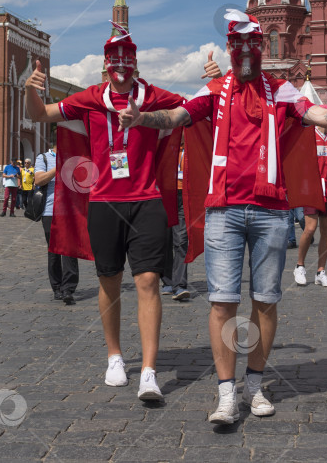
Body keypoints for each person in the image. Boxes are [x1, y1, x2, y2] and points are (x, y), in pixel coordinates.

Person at [118, 9, 327, 424]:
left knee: (266, 301)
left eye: (252, 45)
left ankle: (254, 387)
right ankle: (226, 395)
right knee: (222, 303)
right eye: (237, 45)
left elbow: (322, 116)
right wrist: (140, 119)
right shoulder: (214, 91)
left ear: (259, 49)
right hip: (223, 210)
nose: (245, 52)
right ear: (228, 48)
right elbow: (176, 117)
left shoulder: (283, 92)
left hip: (271, 212)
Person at [25, 21, 220, 402]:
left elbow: (196, 107)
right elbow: (41, 115)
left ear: (136, 63)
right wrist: (31, 90)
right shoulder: (91, 97)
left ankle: (149, 370)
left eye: (127, 59)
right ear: (105, 62)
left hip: (146, 199)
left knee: (148, 281)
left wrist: (216, 80)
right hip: (104, 201)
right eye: (114, 59)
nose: (120, 66)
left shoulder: (153, 96)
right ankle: (115, 355)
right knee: (109, 280)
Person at [294, 126, 327, 287]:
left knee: (326, 231)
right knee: (310, 228)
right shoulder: (308, 135)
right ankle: (300, 266)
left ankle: (321, 271)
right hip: (311, 188)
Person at [35, 144, 79, 304]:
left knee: (69, 250)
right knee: (53, 251)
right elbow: (38, 180)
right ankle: (57, 287)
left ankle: (68, 289)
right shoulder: (44, 158)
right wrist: (58, 168)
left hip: (69, 212)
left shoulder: (73, 159)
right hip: (49, 211)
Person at [162, 137, 190, 301]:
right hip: (165, 194)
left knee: (181, 240)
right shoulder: (166, 144)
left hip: (185, 194)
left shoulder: (193, 145)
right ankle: (167, 280)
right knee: (164, 239)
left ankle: (180, 285)